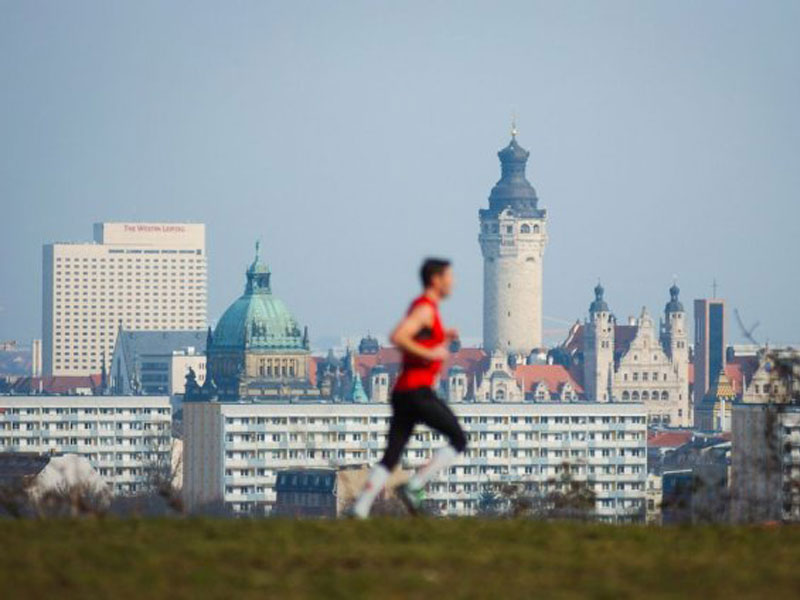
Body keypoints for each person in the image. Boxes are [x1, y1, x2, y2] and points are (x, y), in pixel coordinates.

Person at [347, 258, 467, 518]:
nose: (453, 282)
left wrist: (443, 338)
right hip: (417, 391)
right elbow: (399, 336)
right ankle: (414, 485)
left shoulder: (429, 310)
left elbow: (415, 339)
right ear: (436, 279)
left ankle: (360, 507)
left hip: (404, 392)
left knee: (392, 455)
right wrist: (431, 351)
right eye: (450, 276)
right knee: (458, 438)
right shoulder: (424, 308)